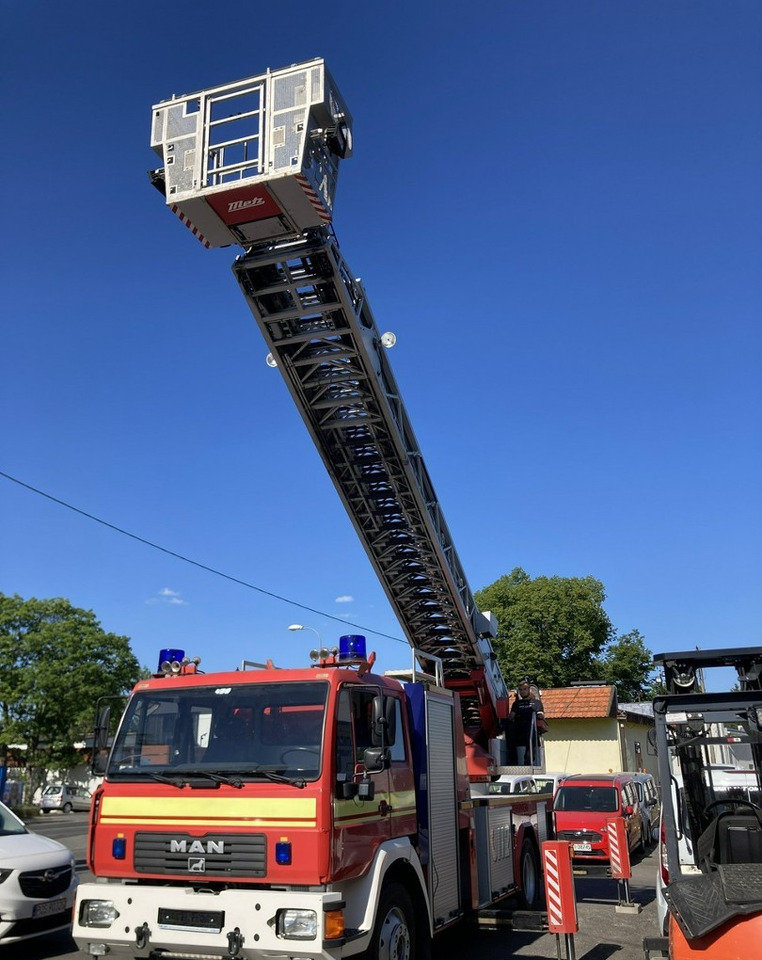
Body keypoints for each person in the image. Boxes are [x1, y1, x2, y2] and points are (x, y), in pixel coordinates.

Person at [508, 677, 545, 765]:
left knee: (530, 730)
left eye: (524, 689)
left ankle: (528, 759)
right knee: (509, 728)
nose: (522, 691)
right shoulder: (516, 704)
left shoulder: (536, 703)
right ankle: (513, 759)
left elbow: (541, 714)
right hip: (518, 728)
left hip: (531, 727)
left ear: (529, 689)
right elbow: (511, 717)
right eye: (520, 690)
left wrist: (539, 715)